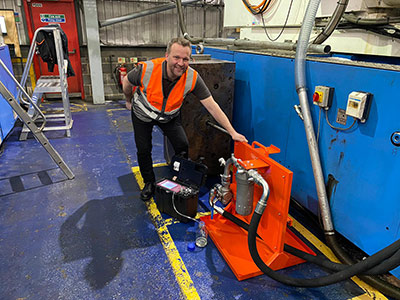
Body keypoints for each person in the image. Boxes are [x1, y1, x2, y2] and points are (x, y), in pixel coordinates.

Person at [123, 37, 247, 201]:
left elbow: (212, 106)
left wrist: (233, 133)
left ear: (191, 60)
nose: (180, 63)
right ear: (167, 55)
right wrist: (128, 100)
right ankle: (149, 183)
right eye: (176, 57)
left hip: (169, 116)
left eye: (185, 59)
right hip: (143, 113)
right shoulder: (147, 69)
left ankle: (179, 178)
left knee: (182, 144)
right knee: (144, 149)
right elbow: (127, 81)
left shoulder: (192, 77)